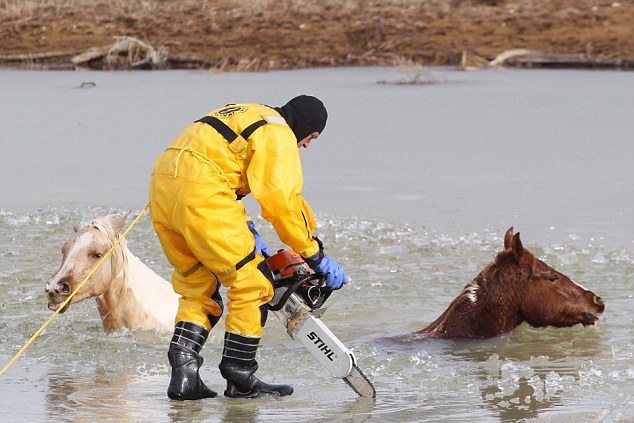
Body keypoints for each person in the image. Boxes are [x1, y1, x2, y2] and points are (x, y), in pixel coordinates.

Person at [148, 95, 348, 400]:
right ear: (306, 127)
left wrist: (248, 230)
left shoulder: (243, 113)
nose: (306, 145)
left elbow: (215, 170)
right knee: (253, 285)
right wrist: (314, 253)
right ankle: (240, 378)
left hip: (162, 191)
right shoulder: (278, 131)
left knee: (197, 287)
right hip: (204, 197)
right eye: (311, 138)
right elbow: (282, 201)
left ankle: (184, 375)